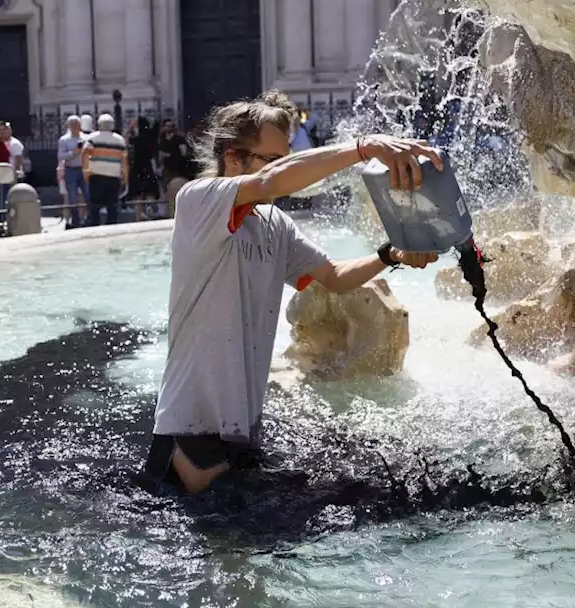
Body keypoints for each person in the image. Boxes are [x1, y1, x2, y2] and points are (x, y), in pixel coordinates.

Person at [144, 90, 440, 494]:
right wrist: (363, 147)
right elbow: (271, 180)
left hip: (242, 432)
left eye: (288, 155)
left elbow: (334, 276)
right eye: (276, 157)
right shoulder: (199, 200)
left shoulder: (274, 223)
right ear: (234, 158)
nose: (287, 170)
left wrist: (391, 254)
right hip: (189, 432)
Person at [81, 113, 129, 226]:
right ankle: (111, 228)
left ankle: (95, 227)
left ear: (99, 125)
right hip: (113, 176)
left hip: (96, 175)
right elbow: (124, 160)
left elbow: (84, 154)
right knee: (112, 206)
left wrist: (85, 170)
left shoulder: (92, 138)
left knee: (95, 205)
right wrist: (125, 177)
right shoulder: (120, 140)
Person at [57, 115, 88, 228]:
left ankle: (88, 219)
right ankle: (76, 221)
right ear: (69, 126)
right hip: (71, 170)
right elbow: (60, 156)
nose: (75, 126)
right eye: (73, 124)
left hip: (84, 169)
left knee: (88, 194)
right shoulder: (64, 140)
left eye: (77, 124)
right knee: (73, 197)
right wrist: (73, 153)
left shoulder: (86, 138)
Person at [127, 117, 160, 221]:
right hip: (147, 166)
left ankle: (138, 218)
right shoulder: (151, 137)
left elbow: (125, 140)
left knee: (137, 195)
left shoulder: (136, 140)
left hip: (136, 168)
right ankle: (150, 213)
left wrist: (130, 128)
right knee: (149, 191)